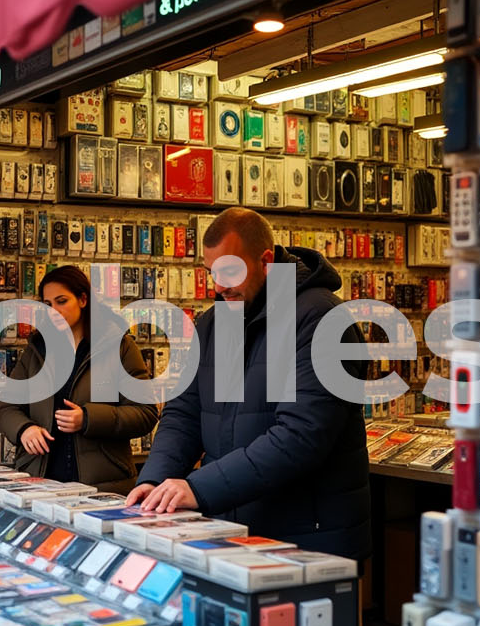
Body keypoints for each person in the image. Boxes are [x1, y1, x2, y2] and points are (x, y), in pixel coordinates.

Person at [127, 208, 372, 560]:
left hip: (309, 541)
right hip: (233, 532)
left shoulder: (321, 320)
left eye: (230, 271)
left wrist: (197, 488)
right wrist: (153, 480)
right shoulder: (218, 322)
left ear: (266, 261)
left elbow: (301, 436)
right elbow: (185, 414)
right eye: (213, 273)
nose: (219, 286)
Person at [0, 266, 158, 494]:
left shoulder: (118, 347)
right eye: (48, 304)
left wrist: (89, 418)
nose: (54, 311)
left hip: (102, 484)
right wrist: (24, 429)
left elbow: (145, 413)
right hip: (41, 483)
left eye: (62, 301)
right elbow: (7, 405)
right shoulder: (37, 350)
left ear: (83, 299)